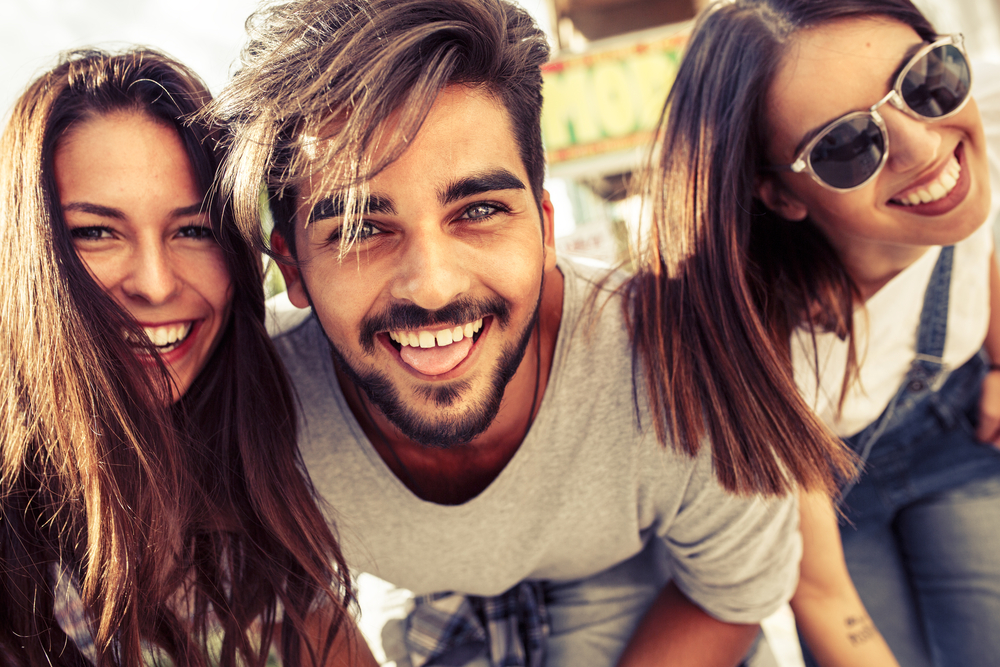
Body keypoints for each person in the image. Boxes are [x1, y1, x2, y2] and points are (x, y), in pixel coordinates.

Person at [210, 1, 854, 665]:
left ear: (546, 227)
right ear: (290, 264)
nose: (432, 286)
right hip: (430, 604)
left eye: (480, 210)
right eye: (358, 230)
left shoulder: (685, 363)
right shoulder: (253, 412)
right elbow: (297, 603)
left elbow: (731, 594)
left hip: (643, 585)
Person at [630, 0, 1000, 665]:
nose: (924, 146)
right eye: (847, 146)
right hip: (834, 504)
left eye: (925, 79)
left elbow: (981, 257)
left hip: (954, 437)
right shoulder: (761, 340)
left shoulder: (956, 191)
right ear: (779, 195)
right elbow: (828, 599)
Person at [0, 48, 374, 667]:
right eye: (95, 232)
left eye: (193, 230)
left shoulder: (255, 467)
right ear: (28, 259)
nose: (155, 283)